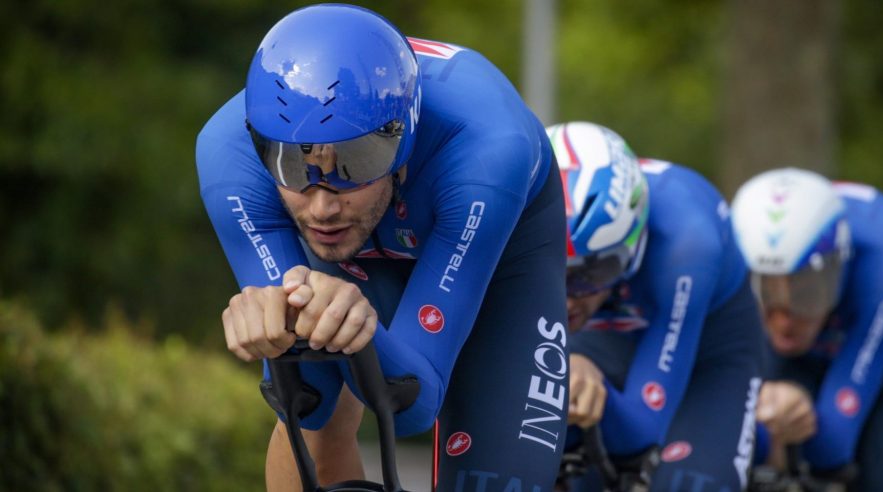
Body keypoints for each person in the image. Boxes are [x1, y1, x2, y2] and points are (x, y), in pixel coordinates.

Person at [195, 4, 570, 490]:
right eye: (293, 170)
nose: (323, 207)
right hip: (366, 242)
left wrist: (362, 332)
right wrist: (273, 326)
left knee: (497, 478)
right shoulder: (229, 154)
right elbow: (305, 392)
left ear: (403, 147)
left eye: (353, 165)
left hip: (498, 250)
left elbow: (411, 405)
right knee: (310, 409)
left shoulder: (488, 148)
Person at [549, 121, 764, 491]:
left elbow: (640, 434)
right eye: (549, 269)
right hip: (602, 336)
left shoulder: (688, 245)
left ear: (633, 244)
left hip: (710, 350)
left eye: (593, 271)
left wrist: (589, 373)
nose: (567, 297)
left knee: (689, 484)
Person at [731, 167, 883, 491]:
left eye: (806, 293)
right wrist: (763, 429)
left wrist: (772, 426)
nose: (784, 319)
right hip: (799, 356)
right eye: (766, 293)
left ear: (839, 263)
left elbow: (831, 446)